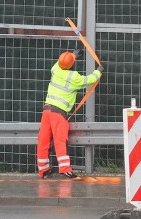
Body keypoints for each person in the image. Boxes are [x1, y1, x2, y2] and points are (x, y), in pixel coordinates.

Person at [36, 49, 103, 179]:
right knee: (60, 141)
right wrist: (98, 71)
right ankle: (65, 170)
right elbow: (88, 80)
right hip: (58, 113)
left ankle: (43, 170)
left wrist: (72, 55)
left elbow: (62, 62)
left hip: (47, 111)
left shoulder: (55, 69)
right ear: (72, 64)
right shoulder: (74, 77)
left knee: (43, 141)